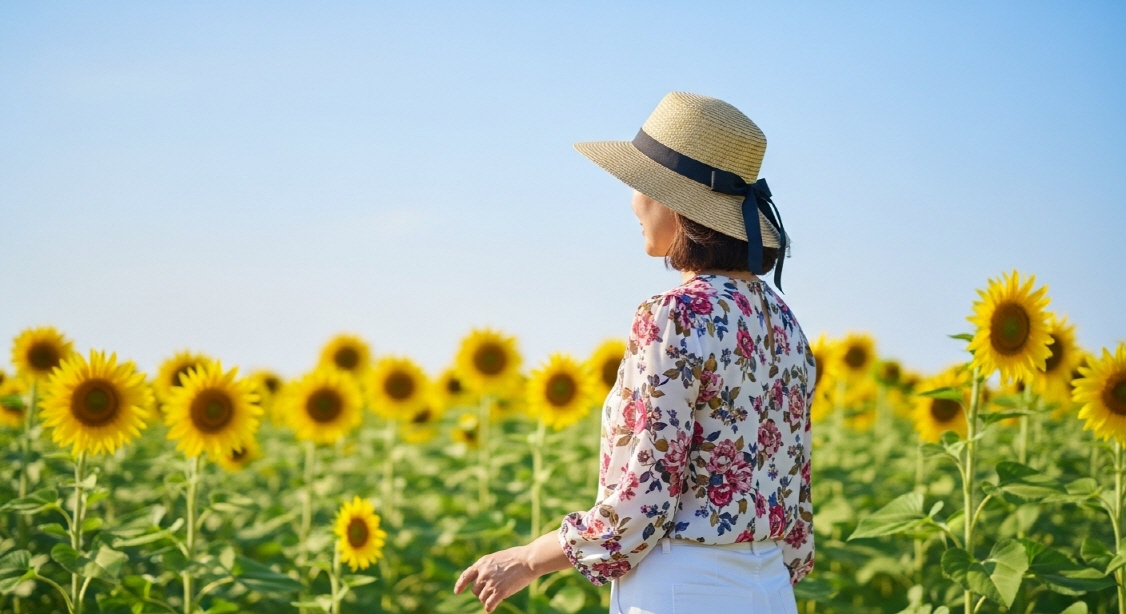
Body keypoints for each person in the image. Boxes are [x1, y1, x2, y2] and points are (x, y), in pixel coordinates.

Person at [454, 91, 816, 614]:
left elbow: (642, 503)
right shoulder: (784, 322)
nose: (631, 201)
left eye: (641, 185)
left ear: (677, 202)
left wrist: (531, 558)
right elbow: (797, 506)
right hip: (770, 591)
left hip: (681, 589)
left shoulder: (673, 315)